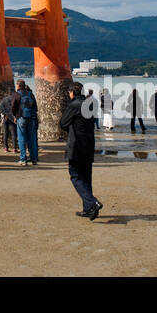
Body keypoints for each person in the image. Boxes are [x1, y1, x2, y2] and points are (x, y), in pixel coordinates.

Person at [60, 82, 101, 220]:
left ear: (72, 92)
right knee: (86, 177)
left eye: (69, 92)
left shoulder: (73, 105)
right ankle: (88, 208)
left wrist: (72, 127)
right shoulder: (90, 104)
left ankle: (92, 202)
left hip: (76, 145)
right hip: (89, 145)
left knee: (75, 175)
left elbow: (63, 123)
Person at [15, 81, 39, 165]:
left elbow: (13, 107)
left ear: (18, 86)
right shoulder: (30, 94)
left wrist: (15, 116)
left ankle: (23, 159)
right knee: (32, 139)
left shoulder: (17, 94)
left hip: (21, 118)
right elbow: (36, 107)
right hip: (31, 118)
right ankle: (34, 159)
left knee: (22, 139)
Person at [3, 83, 19, 151]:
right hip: (12, 118)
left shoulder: (4, 99)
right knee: (13, 133)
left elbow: (1, 108)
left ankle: (6, 147)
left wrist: (5, 114)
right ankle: (14, 148)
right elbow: (16, 108)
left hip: (6, 118)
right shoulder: (14, 98)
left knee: (5, 133)